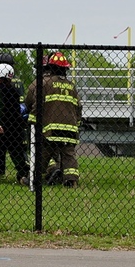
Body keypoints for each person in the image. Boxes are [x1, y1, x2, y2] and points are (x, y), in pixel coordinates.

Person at [24, 51, 82, 187]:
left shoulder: (45, 83)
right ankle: (71, 181)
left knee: (43, 153)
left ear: (51, 67)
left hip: (51, 129)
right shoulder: (71, 86)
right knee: (69, 154)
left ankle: (33, 178)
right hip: (70, 128)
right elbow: (78, 107)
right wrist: (77, 123)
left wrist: (32, 120)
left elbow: (37, 104)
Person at [0, 63, 29, 183]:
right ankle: (23, 174)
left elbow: (1, 107)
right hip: (15, 125)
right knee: (16, 152)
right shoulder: (14, 91)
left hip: (3, 125)